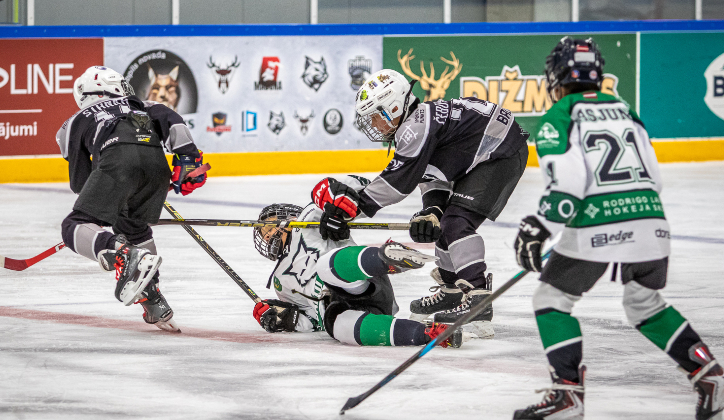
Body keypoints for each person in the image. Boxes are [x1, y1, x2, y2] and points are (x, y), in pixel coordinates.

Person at [512, 37, 723, 420]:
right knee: (643, 303)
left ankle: (567, 396)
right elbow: (655, 179)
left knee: (551, 300)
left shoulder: (560, 115)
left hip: (598, 225)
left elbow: (568, 187)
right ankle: (709, 375)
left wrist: (537, 226)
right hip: (652, 222)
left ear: (555, 78)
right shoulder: (628, 110)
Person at [310, 69, 530, 338]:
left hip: (500, 152)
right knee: (445, 223)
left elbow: (397, 184)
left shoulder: (415, 127)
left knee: (457, 224)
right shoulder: (419, 121)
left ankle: (478, 299)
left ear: (393, 106)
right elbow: (432, 173)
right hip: (490, 150)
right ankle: (451, 292)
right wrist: (432, 210)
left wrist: (354, 208)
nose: (374, 125)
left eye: (377, 116)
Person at [55, 66, 207, 333]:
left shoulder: (73, 122)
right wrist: (187, 161)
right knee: (134, 227)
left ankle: (120, 252)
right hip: (157, 169)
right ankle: (153, 301)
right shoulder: (143, 105)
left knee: (73, 226)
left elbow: (80, 183)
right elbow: (173, 121)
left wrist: (109, 198)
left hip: (116, 163)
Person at [250, 177, 465, 348]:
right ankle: (429, 334)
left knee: (325, 268)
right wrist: (285, 319)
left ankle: (385, 259)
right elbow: (311, 321)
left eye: (269, 226)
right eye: (264, 234)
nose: (268, 235)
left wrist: (333, 197)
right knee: (337, 328)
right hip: (346, 309)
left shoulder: (309, 217)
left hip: (365, 283)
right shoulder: (281, 281)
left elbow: (361, 187)